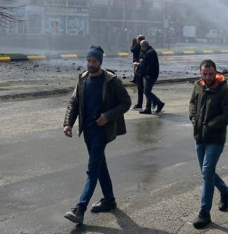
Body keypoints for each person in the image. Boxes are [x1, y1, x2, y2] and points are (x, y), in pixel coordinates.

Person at [63, 46, 132, 226]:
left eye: (94, 61)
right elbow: (74, 102)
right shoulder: (83, 79)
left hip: (102, 131)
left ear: (100, 62)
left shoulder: (111, 81)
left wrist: (107, 116)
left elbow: (126, 102)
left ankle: (79, 209)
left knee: (92, 169)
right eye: (89, 60)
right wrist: (68, 123)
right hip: (87, 131)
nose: (91, 64)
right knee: (100, 164)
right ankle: (109, 200)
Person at [189, 59, 228, 229]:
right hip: (199, 137)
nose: (208, 77)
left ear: (216, 72)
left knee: (207, 174)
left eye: (210, 74)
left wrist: (210, 124)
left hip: (215, 139)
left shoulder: (224, 90)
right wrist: (193, 117)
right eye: (204, 74)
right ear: (200, 73)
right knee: (206, 172)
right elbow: (192, 103)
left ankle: (204, 212)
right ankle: (226, 191)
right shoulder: (198, 85)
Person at [138, 39, 165, 114]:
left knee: (146, 92)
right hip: (151, 74)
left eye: (141, 46)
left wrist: (142, 73)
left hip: (150, 75)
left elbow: (149, 66)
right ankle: (148, 108)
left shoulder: (149, 53)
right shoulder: (149, 51)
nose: (140, 48)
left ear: (143, 46)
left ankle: (159, 103)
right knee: (148, 91)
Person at [131, 34, 146, 109]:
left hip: (141, 72)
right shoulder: (141, 48)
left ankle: (154, 101)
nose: (136, 41)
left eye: (137, 40)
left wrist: (137, 64)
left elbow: (143, 61)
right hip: (139, 71)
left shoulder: (141, 48)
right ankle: (139, 104)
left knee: (143, 89)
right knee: (141, 89)